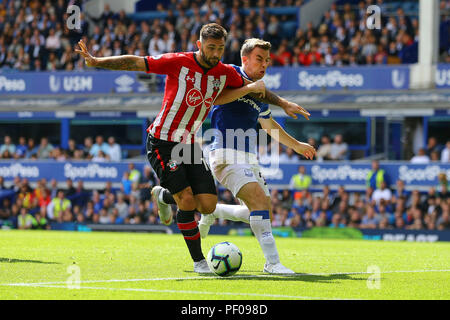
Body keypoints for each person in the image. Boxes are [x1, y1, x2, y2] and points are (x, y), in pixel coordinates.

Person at [76, 23, 306, 274]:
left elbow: (259, 90)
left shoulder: (224, 72)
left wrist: (284, 103)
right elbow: (135, 62)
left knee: (207, 205)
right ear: (199, 45)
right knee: (186, 201)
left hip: (189, 143)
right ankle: (199, 262)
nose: (215, 53)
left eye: (219, 48)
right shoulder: (178, 61)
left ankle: (163, 196)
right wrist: (96, 61)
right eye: (210, 48)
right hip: (162, 141)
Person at [152, 38, 315, 274]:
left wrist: (296, 145)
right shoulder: (227, 77)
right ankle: (272, 263)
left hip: (248, 157)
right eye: (259, 59)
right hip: (226, 153)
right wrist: (247, 89)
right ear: (244, 58)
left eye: (267, 60)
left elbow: (269, 126)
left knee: (261, 212)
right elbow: (213, 100)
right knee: (259, 201)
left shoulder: (259, 93)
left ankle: (211, 210)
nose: (264, 65)